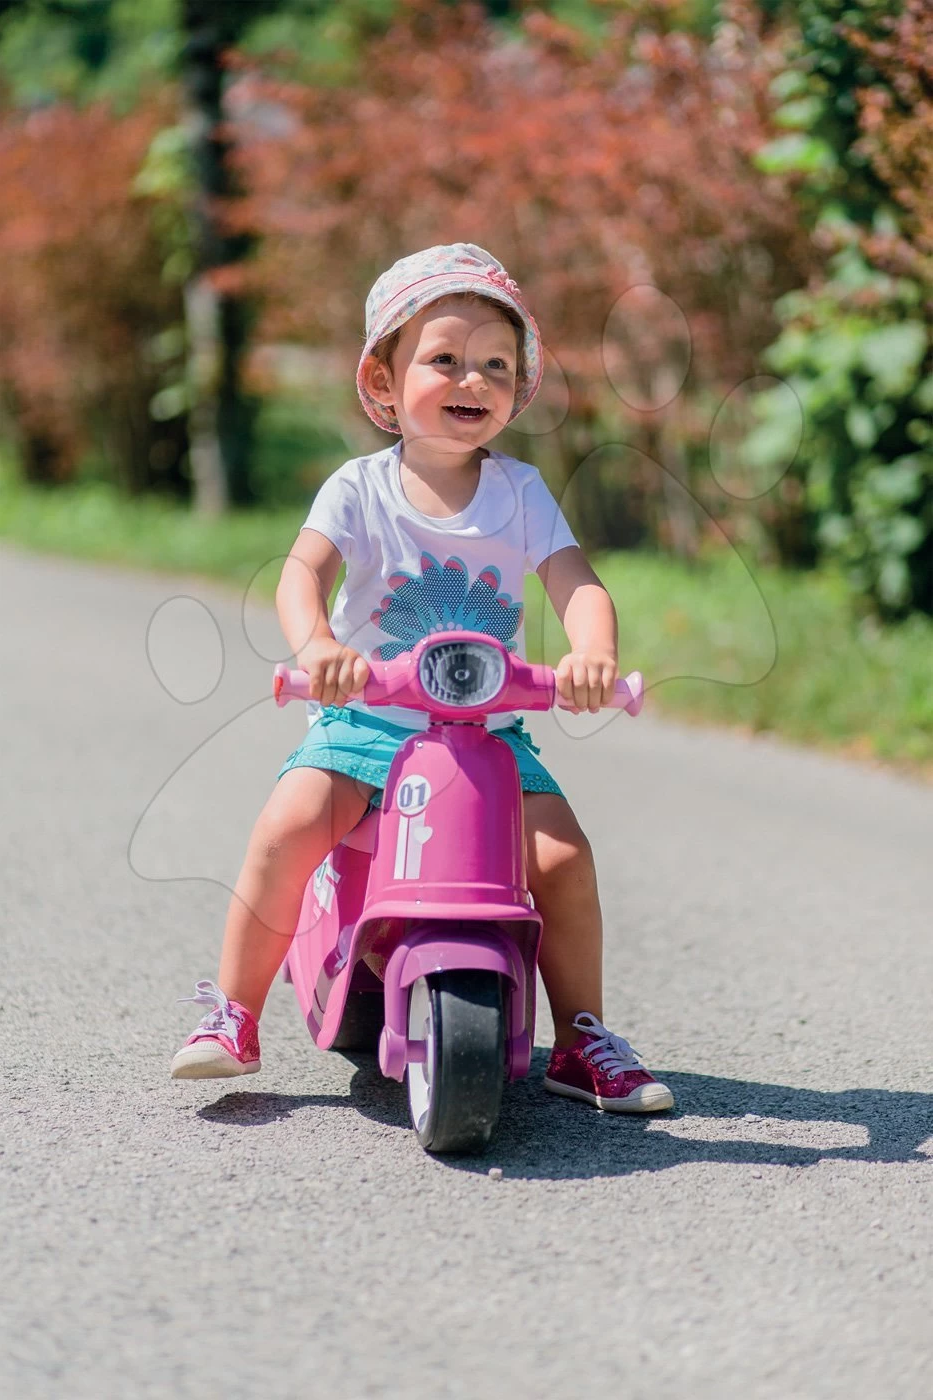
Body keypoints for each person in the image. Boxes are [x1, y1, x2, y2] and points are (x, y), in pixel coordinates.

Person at [171, 242, 674, 1114]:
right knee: (287, 826)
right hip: (367, 725)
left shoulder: (520, 492)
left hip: (488, 735)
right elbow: (301, 573)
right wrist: (317, 645)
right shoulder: (360, 488)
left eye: (496, 365)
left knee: (563, 856)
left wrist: (592, 654)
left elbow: (577, 583)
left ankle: (582, 1037)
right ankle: (234, 1012)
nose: (472, 379)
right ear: (384, 379)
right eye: (445, 359)